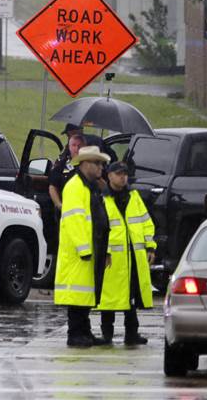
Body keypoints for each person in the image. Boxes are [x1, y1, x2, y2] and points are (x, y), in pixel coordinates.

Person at [55, 145, 111, 347]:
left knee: (86, 294)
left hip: (90, 249)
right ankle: (75, 333)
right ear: (85, 164)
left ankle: (84, 331)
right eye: (97, 163)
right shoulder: (75, 187)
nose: (101, 168)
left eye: (102, 164)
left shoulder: (90, 187)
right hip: (80, 252)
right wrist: (84, 249)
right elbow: (74, 220)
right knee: (77, 294)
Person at [96, 161, 156, 346]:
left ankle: (132, 333)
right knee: (109, 299)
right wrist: (103, 252)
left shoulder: (134, 197)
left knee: (131, 296)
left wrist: (150, 246)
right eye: (119, 173)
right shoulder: (102, 199)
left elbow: (147, 223)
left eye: (125, 174)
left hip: (133, 257)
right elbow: (99, 229)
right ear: (109, 176)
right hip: (112, 258)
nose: (123, 177)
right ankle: (107, 334)